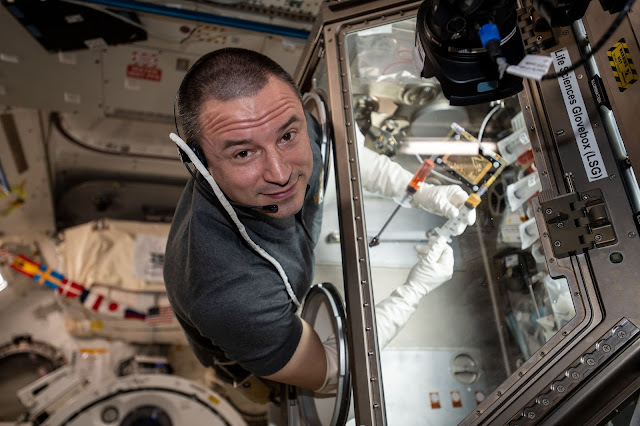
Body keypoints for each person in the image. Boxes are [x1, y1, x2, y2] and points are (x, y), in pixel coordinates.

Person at [164, 48, 474, 395]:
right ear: (200, 165)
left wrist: (420, 192)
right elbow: (330, 374)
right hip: (258, 368)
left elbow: (339, 157)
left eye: (286, 136)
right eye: (243, 153)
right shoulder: (228, 293)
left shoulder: (278, 119)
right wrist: (414, 291)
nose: (281, 174)